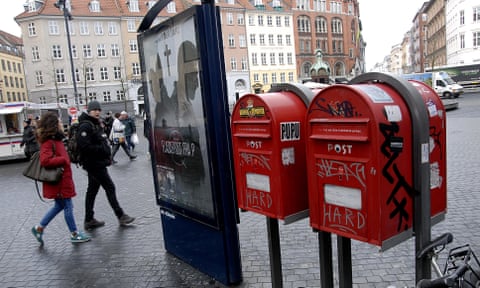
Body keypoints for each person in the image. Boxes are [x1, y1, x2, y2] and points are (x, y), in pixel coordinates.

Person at [31, 112, 91, 245]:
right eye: (58, 121)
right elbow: (45, 160)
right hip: (59, 181)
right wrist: (63, 159)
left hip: (62, 180)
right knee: (67, 206)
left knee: (59, 206)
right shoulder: (49, 142)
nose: (60, 123)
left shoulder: (55, 140)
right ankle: (74, 233)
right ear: (53, 125)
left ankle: (39, 228)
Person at [76, 101, 135, 230]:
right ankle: (120, 215)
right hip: (93, 164)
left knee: (92, 191)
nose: (97, 112)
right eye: (94, 110)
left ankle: (89, 219)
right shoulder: (86, 126)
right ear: (89, 111)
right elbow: (84, 146)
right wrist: (101, 149)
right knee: (110, 187)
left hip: (98, 163)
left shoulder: (96, 124)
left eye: (98, 109)